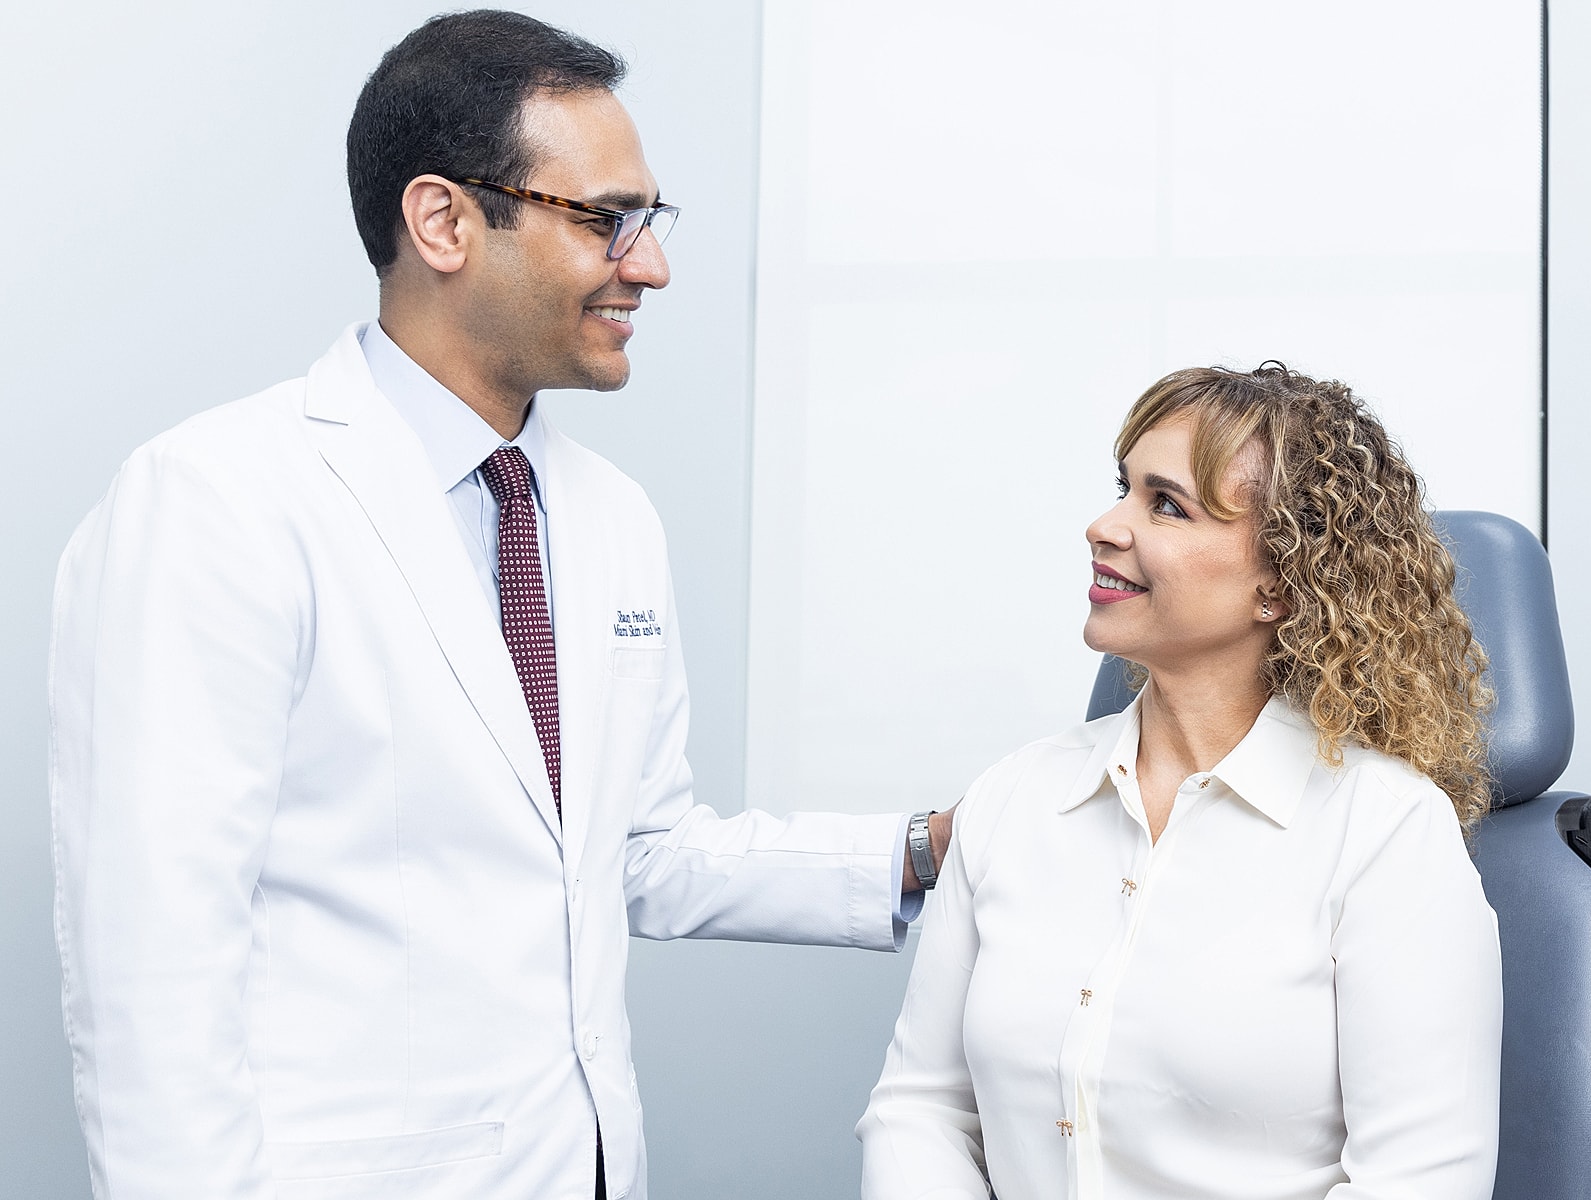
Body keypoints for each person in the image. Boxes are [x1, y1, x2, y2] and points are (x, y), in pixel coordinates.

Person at [48, 12, 948, 1199]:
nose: (650, 266)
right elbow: (149, 954)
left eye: (650, 221)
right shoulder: (218, 500)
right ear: (443, 222)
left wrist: (926, 852)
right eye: (604, 220)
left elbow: (635, 851)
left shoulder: (610, 515)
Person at [856, 363, 1504, 1199]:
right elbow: (921, 1110)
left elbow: (1418, 1180)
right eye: (1122, 489)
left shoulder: (1388, 833)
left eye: (1166, 505)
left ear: (1280, 583)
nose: (1103, 526)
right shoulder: (1015, 796)